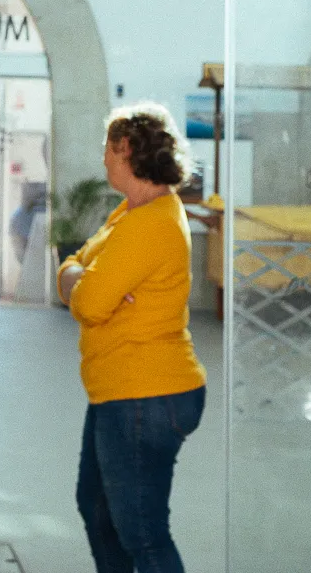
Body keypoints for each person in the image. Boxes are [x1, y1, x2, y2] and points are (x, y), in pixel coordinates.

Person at [56, 104, 206, 573]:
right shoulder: (132, 212)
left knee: (142, 534)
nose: (102, 159)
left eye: (107, 147)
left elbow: (89, 303)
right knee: (98, 511)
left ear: (126, 149)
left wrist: (86, 283)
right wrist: (82, 276)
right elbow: (70, 266)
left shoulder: (150, 223)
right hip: (120, 392)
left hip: (146, 396)